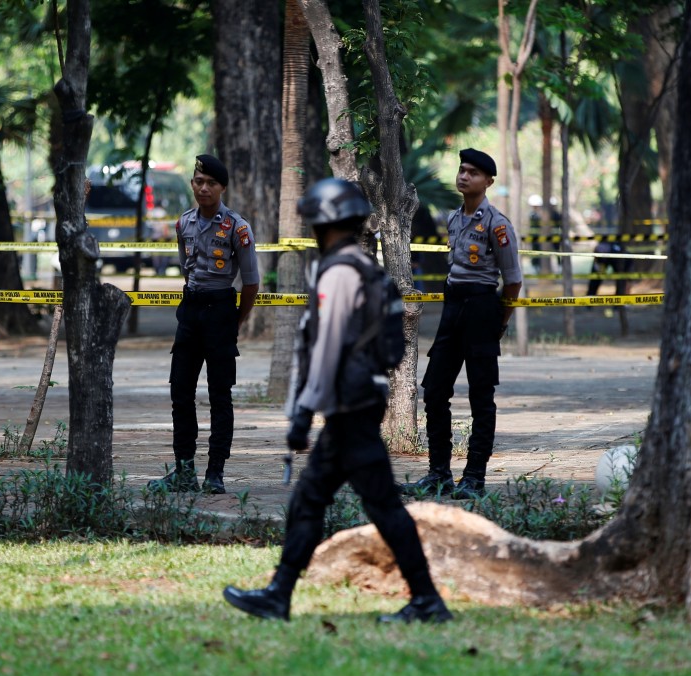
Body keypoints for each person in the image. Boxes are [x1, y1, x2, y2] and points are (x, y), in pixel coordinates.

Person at [222, 178, 452, 624]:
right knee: (311, 500)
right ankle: (279, 594)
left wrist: (304, 410)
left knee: (380, 507)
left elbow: (327, 346)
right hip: (355, 404)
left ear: (326, 223)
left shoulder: (341, 272)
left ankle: (427, 601)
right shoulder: (358, 267)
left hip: (350, 408)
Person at [401, 149, 523, 500]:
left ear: (488, 182)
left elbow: (512, 280)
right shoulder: (454, 219)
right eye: (462, 170)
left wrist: (499, 323)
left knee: (481, 398)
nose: (464, 176)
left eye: (472, 172)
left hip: (483, 307)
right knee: (436, 390)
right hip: (453, 308)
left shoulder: (497, 224)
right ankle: (439, 473)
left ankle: (474, 479)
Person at [147, 154, 259, 495]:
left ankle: (215, 474)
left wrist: (236, 320)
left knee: (219, 396)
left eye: (211, 182)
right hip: (191, 311)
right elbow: (187, 267)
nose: (204, 188)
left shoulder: (238, 228)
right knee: (180, 393)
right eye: (198, 181)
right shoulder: (183, 224)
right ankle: (183, 472)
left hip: (222, 310)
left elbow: (251, 282)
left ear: (222, 187)